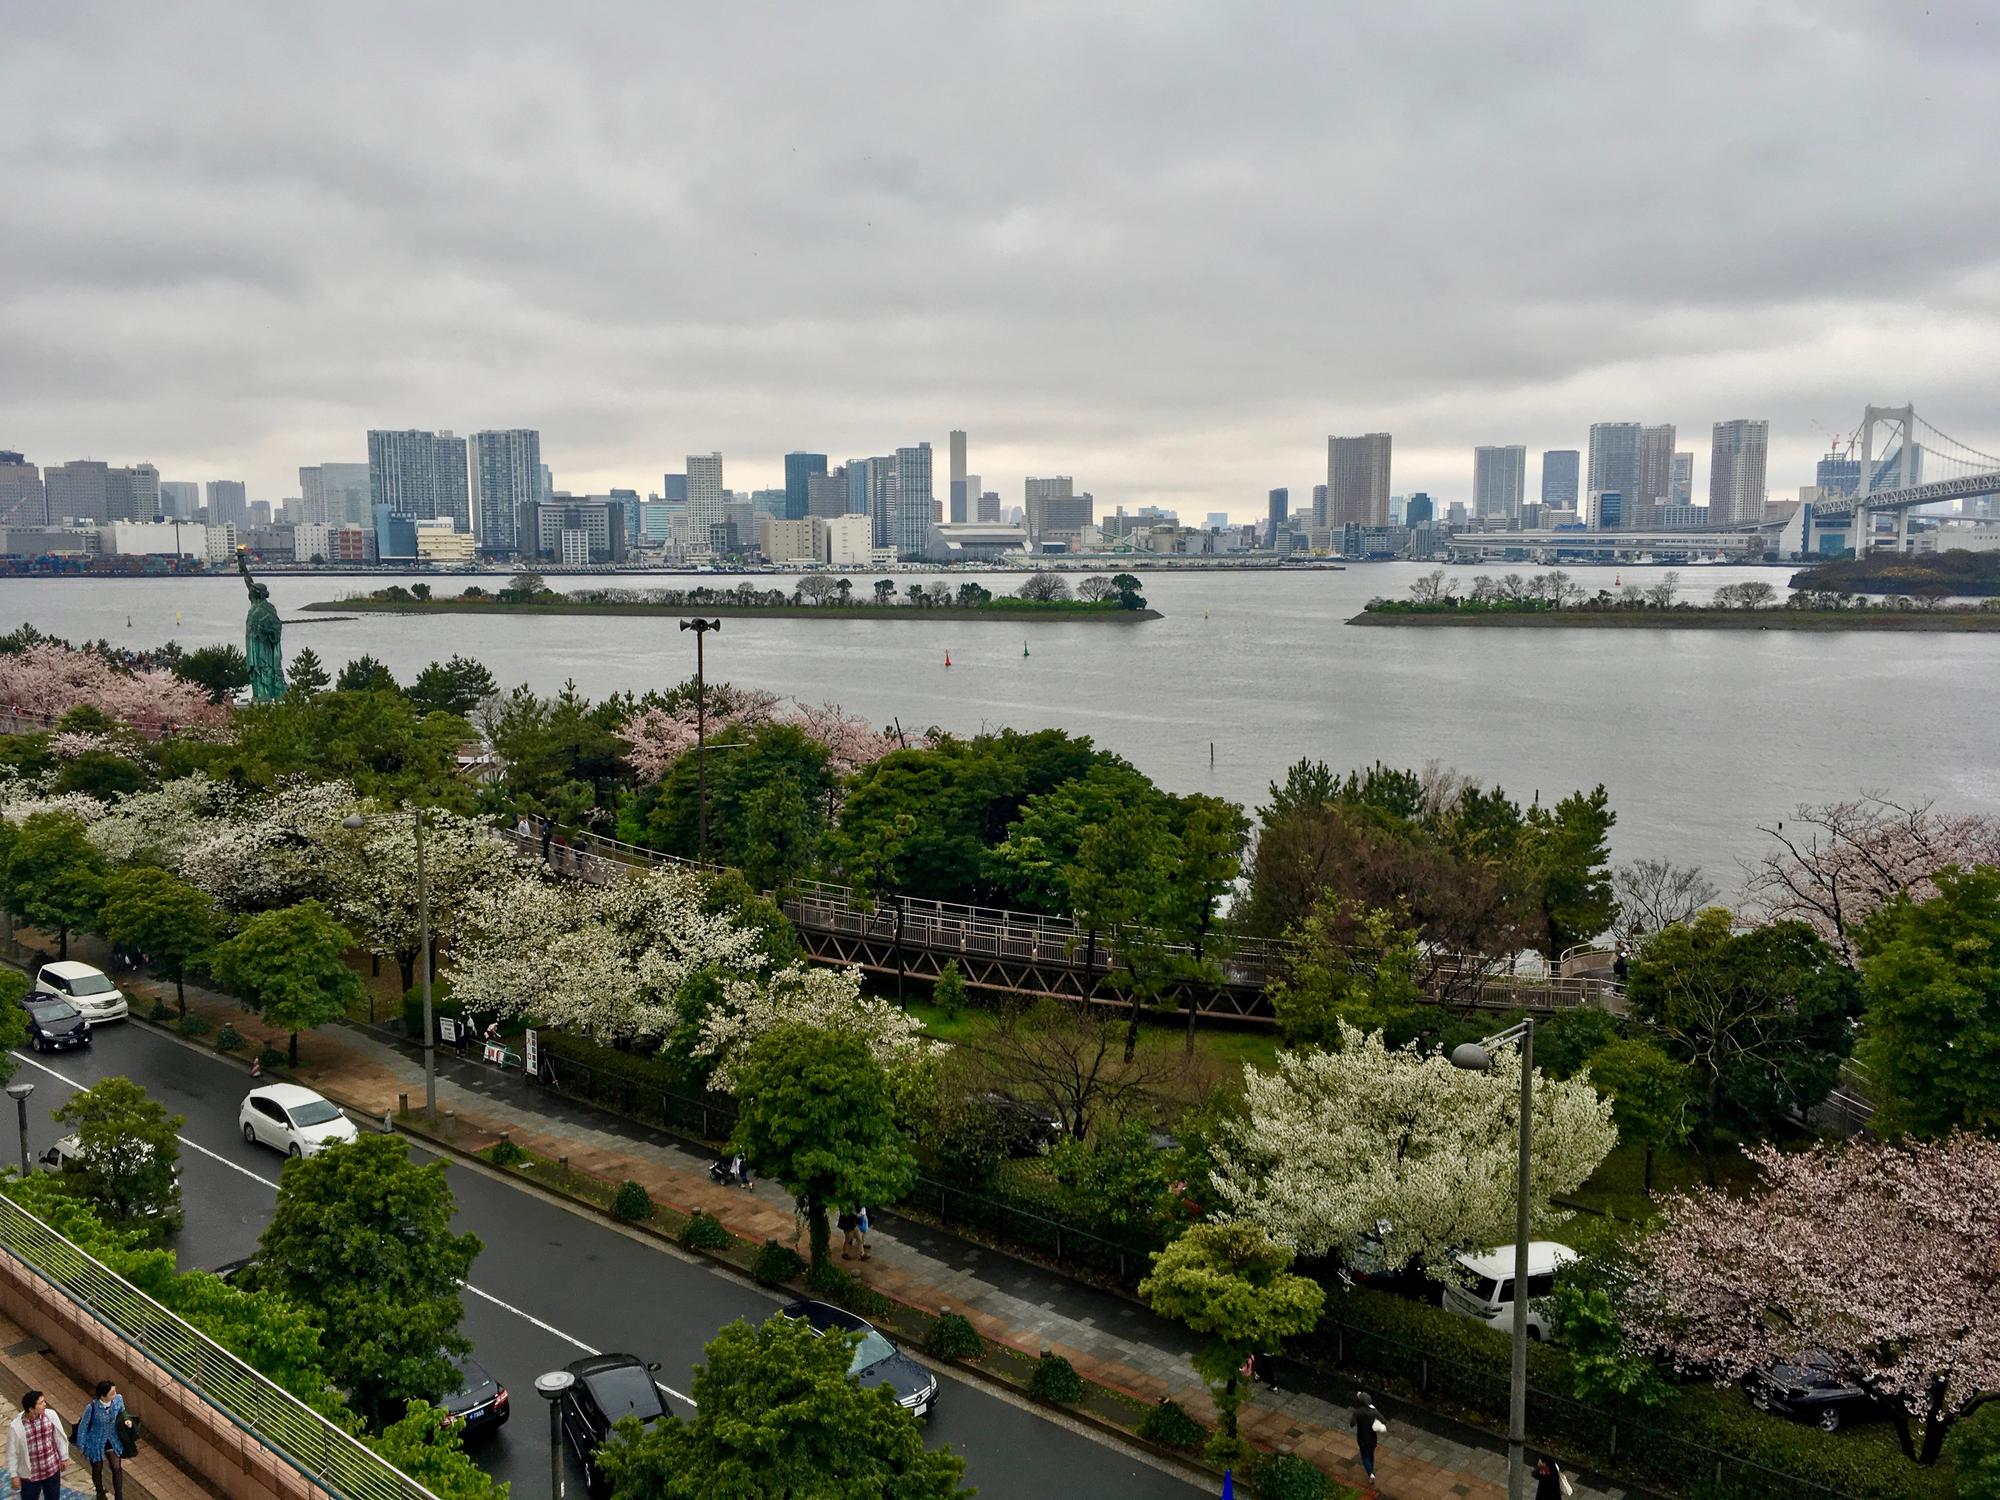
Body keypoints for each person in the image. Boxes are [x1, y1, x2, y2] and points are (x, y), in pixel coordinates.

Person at [8, 1388, 69, 1500]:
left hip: (52, 1469)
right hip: (30, 1475)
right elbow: (12, 1452)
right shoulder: (16, 1427)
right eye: (41, 1403)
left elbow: (59, 1437)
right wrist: (14, 1475)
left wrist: (64, 1457)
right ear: (31, 1409)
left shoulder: (51, 1415)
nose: (45, 1404)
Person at [76, 1381, 126, 1500]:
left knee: (116, 1467)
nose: (115, 1395)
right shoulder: (92, 1407)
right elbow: (83, 1425)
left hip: (112, 1438)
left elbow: (123, 1412)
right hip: (96, 1440)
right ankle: (100, 1492)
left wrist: (126, 1420)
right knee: (97, 1467)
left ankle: (119, 1495)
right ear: (103, 1396)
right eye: (112, 1393)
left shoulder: (118, 1399)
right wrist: (81, 1445)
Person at [1351, 1390, 1384, 1484]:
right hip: (1372, 1438)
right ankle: (1371, 1468)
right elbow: (1383, 1420)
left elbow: (1351, 1424)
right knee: (1370, 1453)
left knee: (1364, 1456)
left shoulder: (1357, 1412)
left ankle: (1370, 1473)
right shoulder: (1374, 1411)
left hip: (1362, 1438)